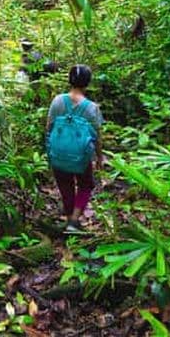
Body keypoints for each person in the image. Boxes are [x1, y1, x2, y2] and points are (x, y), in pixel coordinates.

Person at [45, 64, 104, 233]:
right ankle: (74, 220)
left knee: (65, 185)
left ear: (69, 80)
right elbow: (97, 136)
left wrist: (50, 151)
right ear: (88, 82)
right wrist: (99, 158)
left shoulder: (57, 101)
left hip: (58, 154)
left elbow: (48, 128)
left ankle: (70, 216)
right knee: (85, 185)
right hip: (81, 157)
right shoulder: (92, 108)